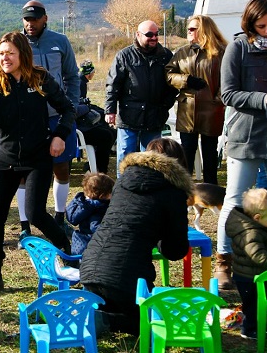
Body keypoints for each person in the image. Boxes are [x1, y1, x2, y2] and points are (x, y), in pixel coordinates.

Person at [0, 31, 75, 294]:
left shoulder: (41, 78)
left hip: (38, 158)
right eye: (1, 54)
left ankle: (69, 253)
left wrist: (60, 135)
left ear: (23, 53)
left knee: (35, 213)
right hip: (5, 158)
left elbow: (68, 108)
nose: (4, 58)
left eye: (10, 53)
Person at [216, 0, 267, 290]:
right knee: (235, 201)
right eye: (261, 26)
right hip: (246, 135)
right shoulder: (237, 48)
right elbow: (229, 94)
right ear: (250, 25)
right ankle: (224, 263)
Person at [80, 138, 192, 335]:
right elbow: (175, 250)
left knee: (111, 304)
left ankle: (89, 315)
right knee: (152, 322)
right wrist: (160, 234)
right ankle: (107, 322)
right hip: (125, 278)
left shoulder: (122, 182)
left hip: (89, 269)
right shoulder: (174, 192)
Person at [17, 0, 81, 236]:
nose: (30, 23)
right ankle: (25, 225)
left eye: (34, 18)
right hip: (29, 119)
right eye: (26, 19)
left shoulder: (60, 41)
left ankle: (59, 216)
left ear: (45, 18)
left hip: (58, 116)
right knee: (23, 171)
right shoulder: (18, 43)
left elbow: (72, 77)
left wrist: (71, 107)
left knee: (61, 167)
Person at [105, 20, 177, 174]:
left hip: (154, 116)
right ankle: (123, 190)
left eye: (156, 34)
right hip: (128, 116)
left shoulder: (165, 56)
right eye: (149, 34)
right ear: (138, 35)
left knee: (151, 158)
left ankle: (148, 190)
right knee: (125, 158)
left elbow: (172, 84)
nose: (154, 38)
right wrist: (110, 110)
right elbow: (113, 84)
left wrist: (165, 106)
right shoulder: (124, 55)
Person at [165, 14, 228, 184]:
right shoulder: (182, 52)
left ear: (204, 30)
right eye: (188, 29)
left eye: (193, 29)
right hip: (188, 110)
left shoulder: (221, 52)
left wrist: (218, 99)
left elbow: (228, 79)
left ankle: (210, 190)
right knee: (186, 152)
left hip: (212, 110)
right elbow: (168, 75)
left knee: (210, 152)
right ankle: (184, 191)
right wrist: (185, 80)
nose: (189, 32)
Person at [226, 188, 267, 340]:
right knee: (252, 305)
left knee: (260, 301)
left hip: (254, 273)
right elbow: (257, 255)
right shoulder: (250, 233)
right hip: (247, 277)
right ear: (257, 217)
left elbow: (264, 231)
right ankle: (249, 330)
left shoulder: (254, 224)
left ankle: (261, 323)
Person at [75, 60, 115, 174]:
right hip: (77, 127)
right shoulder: (79, 83)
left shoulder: (79, 81)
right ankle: (98, 170)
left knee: (109, 131)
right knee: (107, 135)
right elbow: (76, 108)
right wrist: (87, 107)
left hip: (80, 124)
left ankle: (94, 165)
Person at [65, 172, 114, 255]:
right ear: (102, 196)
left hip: (79, 243)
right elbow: (97, 229)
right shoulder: (99, 209)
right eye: (110, 193)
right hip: (91, 247)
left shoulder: (83, 205)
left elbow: (72, 217)